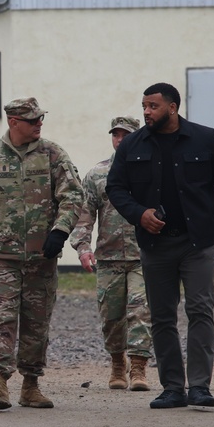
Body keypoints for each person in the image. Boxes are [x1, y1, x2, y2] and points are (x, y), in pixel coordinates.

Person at [106, 82, 214, 409]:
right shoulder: (131, 145)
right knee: (162, 317)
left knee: (200, 310)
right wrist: (140, 214)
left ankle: (200, 387)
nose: (147, 112)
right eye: (144, 106)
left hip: (198, 242)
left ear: (172, 108)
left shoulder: (205, 139)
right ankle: (173, 388)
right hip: (155, 245)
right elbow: (116, 189)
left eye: (153, 106)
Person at [0, 97, 83, 410]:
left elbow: (72, 196)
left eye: (40, 119)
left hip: (41, 256)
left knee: (36, 321)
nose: (38, 124)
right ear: (13, 122)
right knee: (3, 319)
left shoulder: (53, 154)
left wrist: (60, 231)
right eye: (32, 120)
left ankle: (31, 385)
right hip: (1, 256)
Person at [70, 116, 153, 391]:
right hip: (109, 258)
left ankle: (139, 368)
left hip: (144, 256)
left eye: (125, 135)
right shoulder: (97, 174)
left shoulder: (152, 168)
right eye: (116, 135)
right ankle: (118, 363)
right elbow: (84, 215)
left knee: (141, 312)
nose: (120, 140)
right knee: (111, 317)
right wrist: (83, 247)